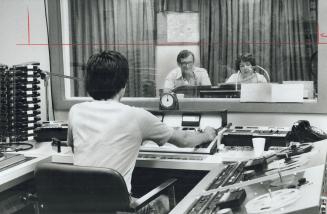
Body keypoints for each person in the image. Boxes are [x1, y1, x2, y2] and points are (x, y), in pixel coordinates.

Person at [67, 50, 217, 214]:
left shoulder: (76, 111)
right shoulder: (136, 116)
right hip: (119, 209)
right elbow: (185, 140)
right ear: (124, 85)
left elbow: (75, 147)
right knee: (168, 201)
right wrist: (207, 134)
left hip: (80, 207)